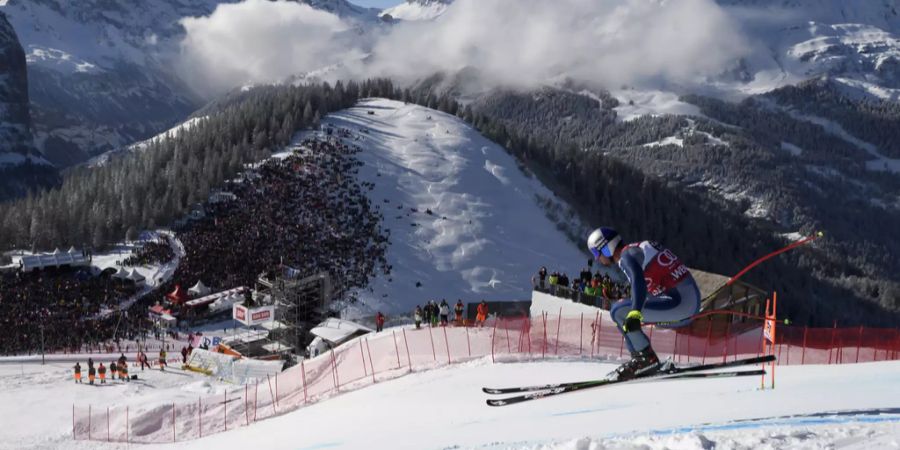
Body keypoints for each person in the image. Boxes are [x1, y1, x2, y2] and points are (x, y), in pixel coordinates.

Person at [587, 227, 700, 381]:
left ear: (606, 248)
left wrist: (634, 313)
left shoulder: (627, 256)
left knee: (618, 311)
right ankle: (641, 359)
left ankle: (644, 359)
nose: (596, 259)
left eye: (596, 253)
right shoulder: (638, 249)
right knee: (624, 308)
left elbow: (637, 280)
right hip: (686, 302)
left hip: (680, 304)